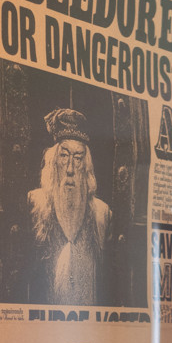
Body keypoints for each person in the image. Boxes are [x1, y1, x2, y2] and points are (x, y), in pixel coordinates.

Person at [24, 108, 111, 305]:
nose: (70, 168)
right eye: (64, 156)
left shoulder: (102, 213)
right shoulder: (34, 202)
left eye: (78, 158)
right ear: (54, 161)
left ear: (86, 166)